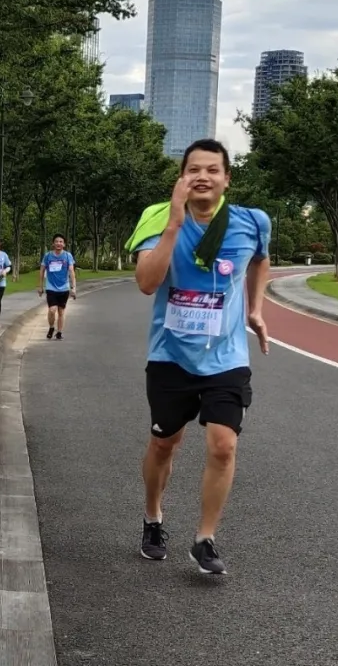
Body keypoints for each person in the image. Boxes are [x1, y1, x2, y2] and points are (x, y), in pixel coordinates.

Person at [127, 138, 270, 576]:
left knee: (223, 445)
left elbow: (261, 261)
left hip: (226, 356)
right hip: (170, 355)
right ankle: (153, 517)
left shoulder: (252, 222)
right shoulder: (156, 217)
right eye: (193, 170)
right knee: (164, 443)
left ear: (227, 178)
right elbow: (147, 283)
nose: (202, 177)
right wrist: (173, 223)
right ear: (181, 177)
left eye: (212, 169)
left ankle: (205, 538)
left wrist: (255, 307)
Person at [39, 234, 76, 340]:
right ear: (53, 243)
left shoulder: (68, 256)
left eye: (61, 242)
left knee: (61, 311)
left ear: (64, 244)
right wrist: (40, 286)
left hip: (64, 288)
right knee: (52, 310)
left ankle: (59, 332)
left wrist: (73, 288)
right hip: (51, 287)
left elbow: (71, 271)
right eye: (56, 241)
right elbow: (42, 271)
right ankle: (51, 327)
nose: (58, 243)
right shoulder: (48, 256)